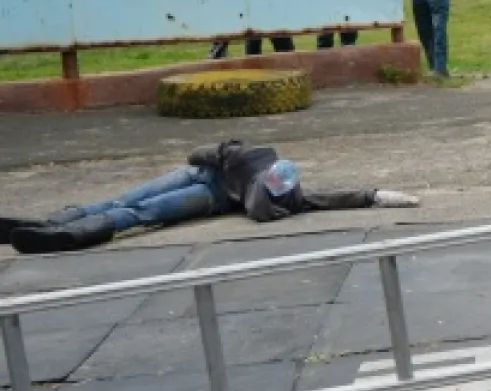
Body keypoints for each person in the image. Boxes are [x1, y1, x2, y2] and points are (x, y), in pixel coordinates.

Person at [2, 139, 420, 254]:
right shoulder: (251, 155)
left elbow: (338, 198)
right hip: (203, 174)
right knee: (123, 199)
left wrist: (379, 195)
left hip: (211, 197)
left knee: (144, 212)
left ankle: (72, 235)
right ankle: (49, 221)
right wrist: (216, 161)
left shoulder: (285, 198)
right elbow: (201, 153)